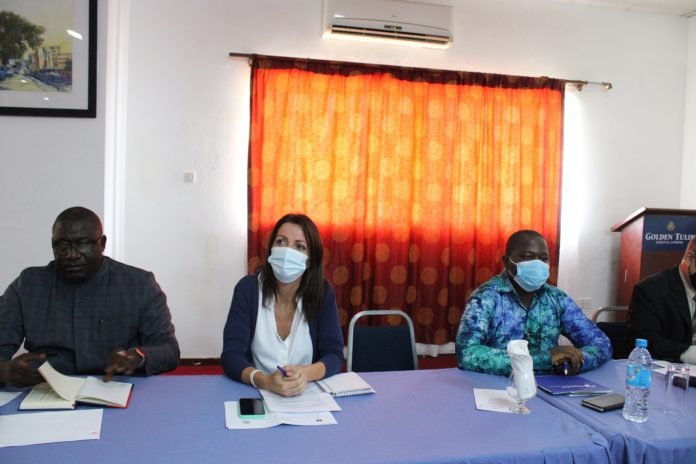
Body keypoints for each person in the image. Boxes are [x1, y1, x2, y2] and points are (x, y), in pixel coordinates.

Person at [0, 207, 179, 387]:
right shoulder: (28, 285)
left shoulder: (139, 284)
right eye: (62, 245)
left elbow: (169, 350)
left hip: (116, 388)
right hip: (46, 390)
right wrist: (5, 370)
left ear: (102, 243)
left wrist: (138, 356)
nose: (72, 255)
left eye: (83, 244)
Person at [456, 230, 612, 376]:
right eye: (527, 257)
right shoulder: (486, 297)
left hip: (551, 385)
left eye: (543, 259)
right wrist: (545, 359)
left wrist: (576, 360)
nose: (537, 264)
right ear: (507, 262)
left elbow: (601, 343)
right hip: (499, 385)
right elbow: (467, 354)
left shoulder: (557, 298)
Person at [221, 213, 344, 397]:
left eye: (299, 246)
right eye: (281, 242)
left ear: (310, 260)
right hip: (256, 392)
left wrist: (305, 374)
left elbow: (334, 354)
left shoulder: (322, 292)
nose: (287, 252)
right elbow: (231, 356)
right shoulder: (247, 289)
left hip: (307, 395)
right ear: (271, 249)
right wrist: (265, 381)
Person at [626, 237, 696, 363]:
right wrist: (687, 353)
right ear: (690, 258)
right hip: (664, 368)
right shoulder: (651, 290)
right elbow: (645, 338)